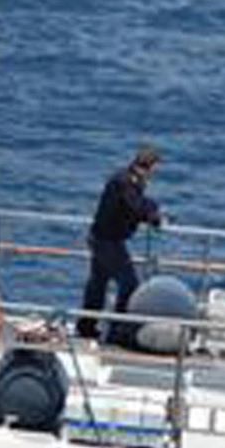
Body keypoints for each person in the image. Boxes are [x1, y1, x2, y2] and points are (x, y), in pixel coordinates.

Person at [76, 145, 165, 341]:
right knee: (129, 284)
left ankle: (86, 327)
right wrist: (154, 215)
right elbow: (133, 206)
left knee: (98, 284)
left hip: (102, 237)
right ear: (150, 166)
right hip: (108, 241)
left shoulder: (126, 179)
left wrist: (150, 208)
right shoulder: (126, 182)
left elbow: (135, 203)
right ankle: (117, 330)